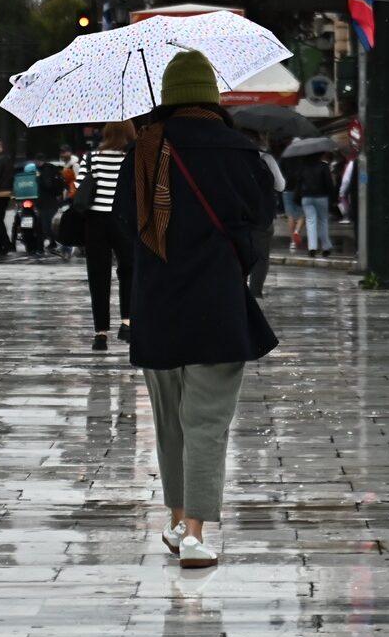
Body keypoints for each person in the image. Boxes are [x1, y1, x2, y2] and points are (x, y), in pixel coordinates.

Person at [114, 51, 278, 569]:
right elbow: (259, 225)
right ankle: (194, 533)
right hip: (218, 304)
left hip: (157, 305)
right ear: (211, 94)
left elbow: (124, 228)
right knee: (206, 421)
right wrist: (239, 267)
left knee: (169, 421)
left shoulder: (143, 149)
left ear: (168, 95)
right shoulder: (241, 151)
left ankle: (177, 517)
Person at [78, 121, 136, 351]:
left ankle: (100, 334)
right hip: (124, 219)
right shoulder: (132, 157)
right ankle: (127, 323)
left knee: (98, 276)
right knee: (129, 271)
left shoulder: (92, 157)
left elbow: (81, 185)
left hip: (95, 221)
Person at [241, 130, 282, 298]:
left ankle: (239, 289)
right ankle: (255, 292)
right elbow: (280, 185)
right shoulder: (266, 159)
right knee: (261, 256)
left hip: (239, 214)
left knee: (239, 253)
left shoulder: (233, 158)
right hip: (262, 216)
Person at [297, 152, 335, 258]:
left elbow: (299, 183)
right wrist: (333, 197)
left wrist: (298, 197)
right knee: (323, 221)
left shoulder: (303, 167)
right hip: (321, 197)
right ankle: (326, 247)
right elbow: (328, 183)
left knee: (310, 222)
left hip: (306, 197)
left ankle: (312, 248)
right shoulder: (324, 166)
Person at [33, 152, 65, 251]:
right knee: (45, 223)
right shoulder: (48, 169)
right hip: (49, 201)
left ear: (39, 161)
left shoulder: (45, 170)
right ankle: (50, 243)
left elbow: (47, 185)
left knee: (46, 224)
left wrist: (38, 179)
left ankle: (56, 243)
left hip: (47, 201)